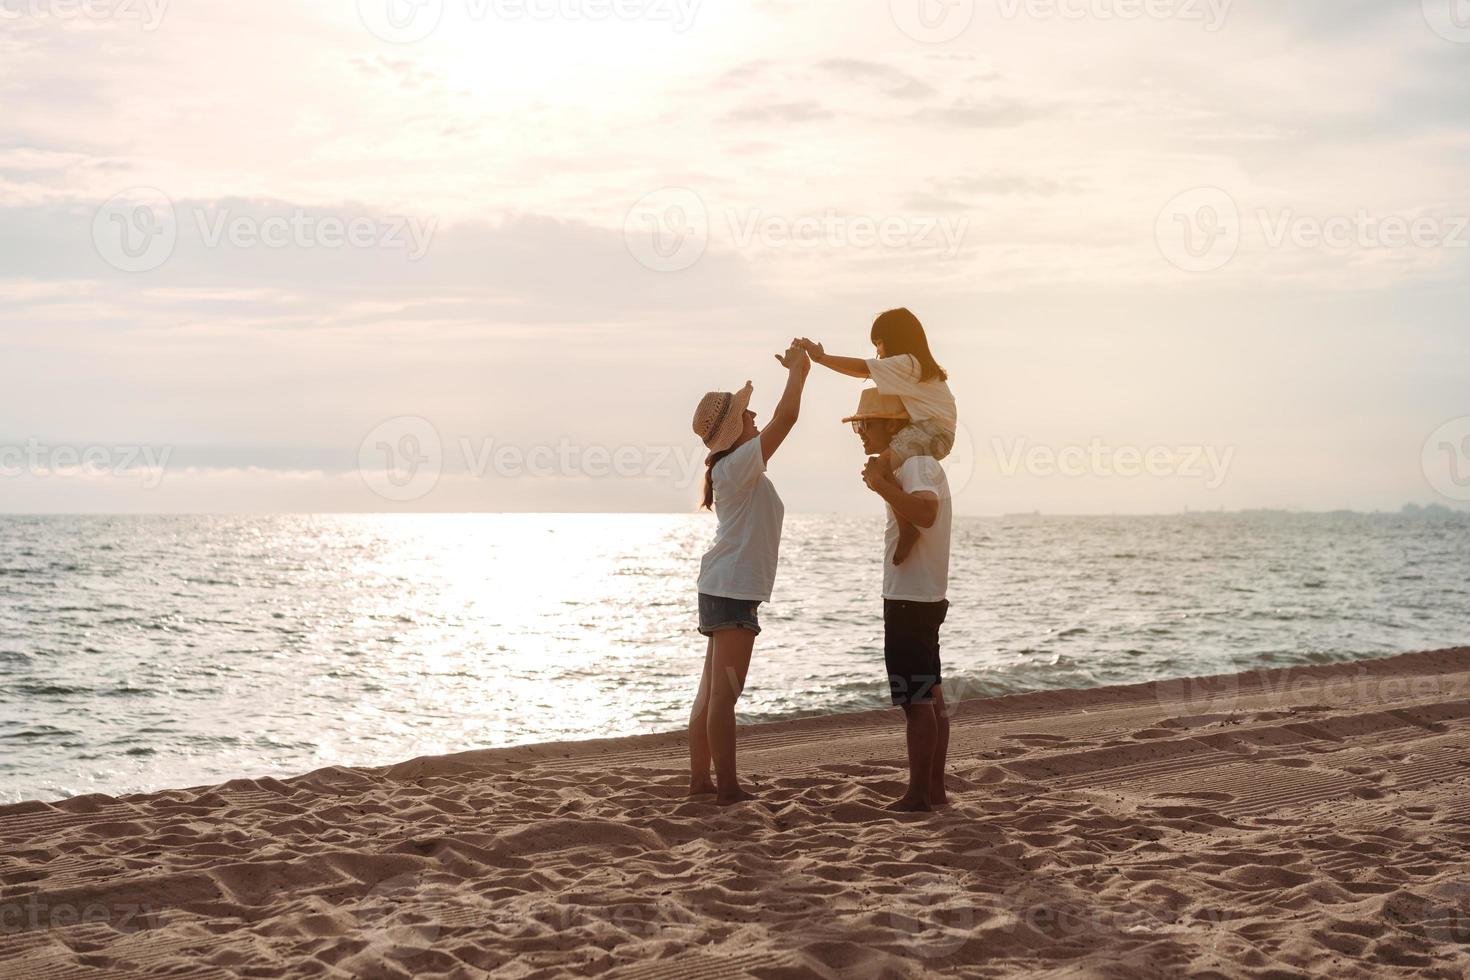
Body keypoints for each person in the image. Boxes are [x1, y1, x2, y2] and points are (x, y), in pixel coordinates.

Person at [686, 341, 810, 804]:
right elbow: (788, 419)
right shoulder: (738, 465)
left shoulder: (733, 468)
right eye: (747, 413)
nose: (754, 415)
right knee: (725, 697)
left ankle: (702, 782)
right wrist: (800, 373)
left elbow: (776, 422)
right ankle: (729, 789)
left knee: (711, 694)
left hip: (722, 586)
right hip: (732, 590)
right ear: (735, 429)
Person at [845, 388, 954, 812]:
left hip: (910, 598)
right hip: (921, 594)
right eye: (857, 425)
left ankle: (918, 795)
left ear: (893, 426)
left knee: (915, 702)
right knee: (931, 695)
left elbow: (925, 514)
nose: (859, 432)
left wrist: (879, 485)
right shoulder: (913, 466)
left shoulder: (919, 464)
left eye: (866, 424)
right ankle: (935, 790)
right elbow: (914, 525)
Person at [799, 308, 956, 566]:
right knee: (881, 471)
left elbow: (863, 368)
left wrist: (822, 357)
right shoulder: (919, 367)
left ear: (896, 339)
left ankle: (907, 530)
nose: (878, 351)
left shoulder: (908, 363)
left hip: (931, 430)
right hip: (935, 431)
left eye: (879, 343)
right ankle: (906, 527)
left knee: (877, 470)